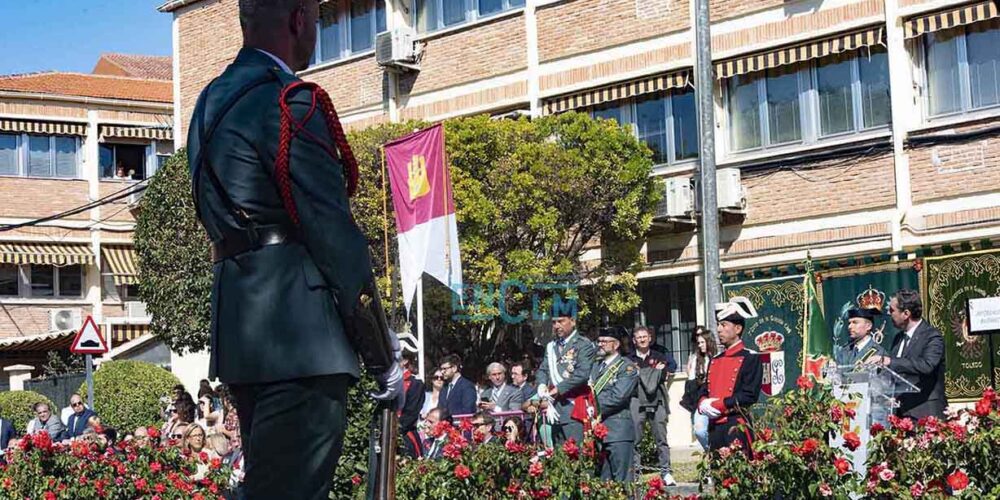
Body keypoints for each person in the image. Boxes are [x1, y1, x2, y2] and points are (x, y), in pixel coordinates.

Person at [187, 1, 403, 497]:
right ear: (298, 20)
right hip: (301, 335)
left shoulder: (208, 103)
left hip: (241, 329)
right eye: (317, 20)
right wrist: (380, 352)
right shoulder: (290, 101)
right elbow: (334, 234)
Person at [866, 289, 947, 419]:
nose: (889, 313)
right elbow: (894, 373)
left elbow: (927, 365)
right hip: (902, 413)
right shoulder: (898, 338)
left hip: (926, 412)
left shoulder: (932, 336)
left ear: (906, 314)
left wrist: (889, 361)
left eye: (892, 310)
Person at [698, 297, 763, 454]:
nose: (719, 330)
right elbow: (705, 388)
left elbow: (749, 395)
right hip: (714, 427)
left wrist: (720, 405)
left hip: (736, 425)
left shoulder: (750, 358)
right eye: (718, 325)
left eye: (724, 325)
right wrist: (702, 402)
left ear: (738, 329)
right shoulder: (715, 360)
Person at [535, 312, 596, 445]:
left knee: (575, 453)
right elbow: (543, 370)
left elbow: (582, 374)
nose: (556, 326)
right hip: (555, 408)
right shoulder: (551, 346)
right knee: (559, 457)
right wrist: (541, 386)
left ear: (572, 321)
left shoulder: (583, 344)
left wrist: (557, 389)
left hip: (573, 407)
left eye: (561, 321)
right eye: (554, 322)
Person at [628, 325, 677, 486]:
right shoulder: (628, 359)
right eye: (638, 337)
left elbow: (666, 372)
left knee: (661, 438)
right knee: (635, 439)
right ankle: (635, 473)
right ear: (634, 341)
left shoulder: (659, 355)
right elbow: (629, 377)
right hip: (636, 400)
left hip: (658, 400)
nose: (642, 339)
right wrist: (653, 371)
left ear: (650, 338)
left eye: (645, 336)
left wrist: (641, 372)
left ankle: (666, 472)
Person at [591, 328, 639, 483]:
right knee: (604, 484)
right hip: (597, 434)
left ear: (616, 344)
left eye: (605, 341)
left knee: (623, 482)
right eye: (599, 341)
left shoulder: (627, 367)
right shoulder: (595, 367)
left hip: (618, 432)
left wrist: (591, 407)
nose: (600, 344)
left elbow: (618, 396)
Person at [685, 327, 715, 451]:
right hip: (700, 399)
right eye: (699, 343)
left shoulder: (717, 357)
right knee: (699, 430)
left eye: (703, 342)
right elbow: (691, 378)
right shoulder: (696, 358)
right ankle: (711, 452)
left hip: (715, 398)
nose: (700, 345)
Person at [399, 352, 426, 458]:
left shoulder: (416, 384)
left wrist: (397, 429)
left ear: (405, 361)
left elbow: (411, 413)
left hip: (405, 433)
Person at [216, 384, 241, 450]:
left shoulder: (232, 414)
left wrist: (223, 430)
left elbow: (235, 434)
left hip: (235, 448)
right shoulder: (234, 412)